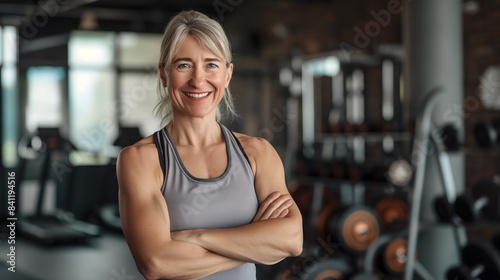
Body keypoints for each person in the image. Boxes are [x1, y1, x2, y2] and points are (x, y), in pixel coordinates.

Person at [117, 10, 303, 280]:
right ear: (163, 74)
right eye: (183, 65)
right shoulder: (141, 160)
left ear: (227, 75)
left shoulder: (258, 153)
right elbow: (156, 263)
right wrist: (255, 244)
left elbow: (293, 239)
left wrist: (196, 236)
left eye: (211, 65)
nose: (198, 80)